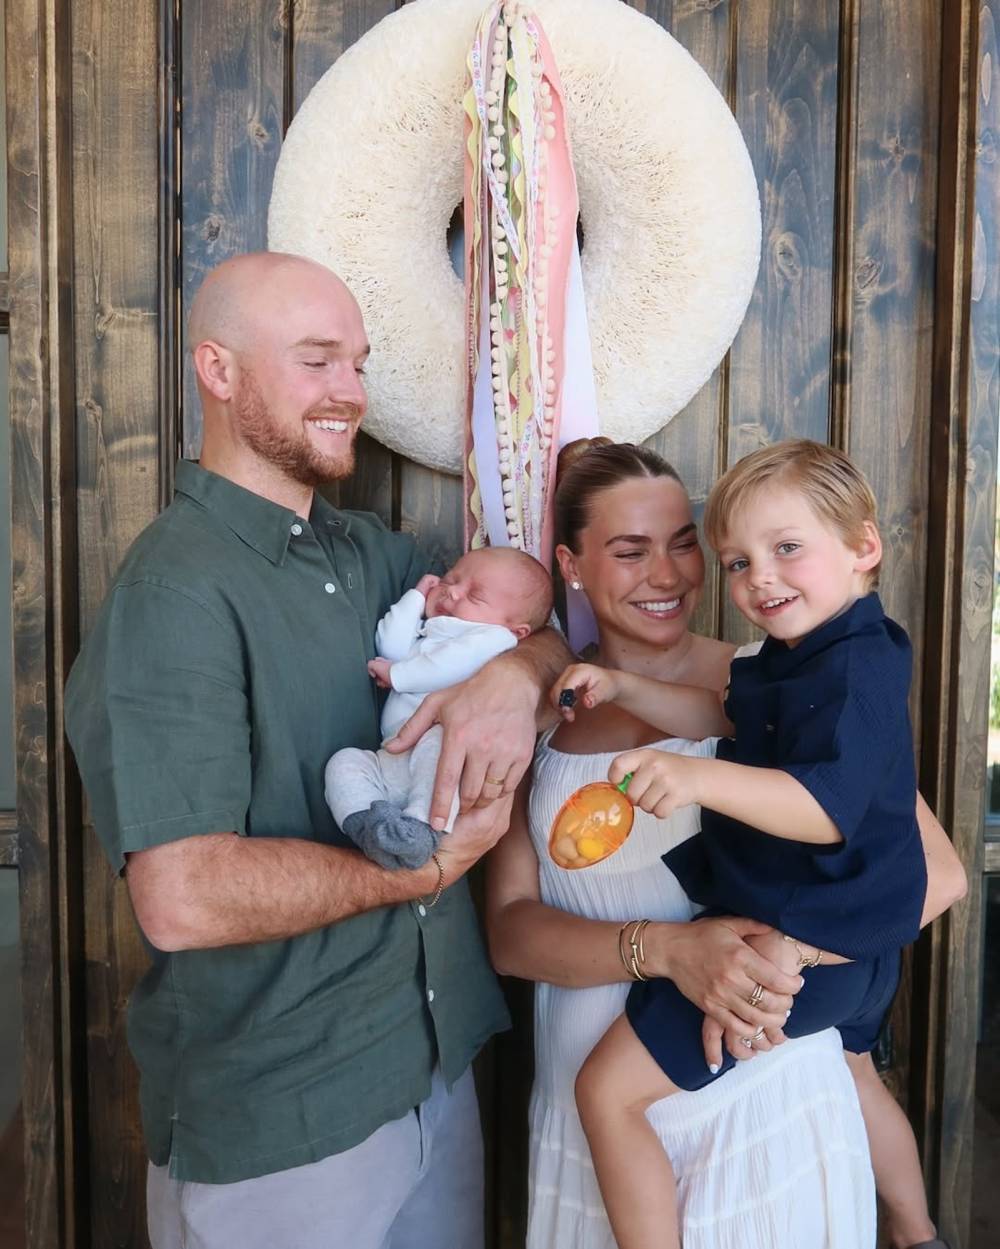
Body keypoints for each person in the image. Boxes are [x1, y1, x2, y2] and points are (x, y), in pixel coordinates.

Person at [63, 251, 570, 1249]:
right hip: (284, 1117)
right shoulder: (175, 593)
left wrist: (518, 678)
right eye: (316, 361)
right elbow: (182, 897)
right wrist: (416, 873)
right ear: (217, 370)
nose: (350, 392)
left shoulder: (370, 557)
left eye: (359, 362)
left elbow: (525, 626)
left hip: (430, 1061)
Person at [485, 438, 967, 1249]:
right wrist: (669, 949)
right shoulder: (536, 711)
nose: (669, 574)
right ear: (571, 564)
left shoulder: (799, 668)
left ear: (862, 548)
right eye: (632, 550)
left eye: (683, 543)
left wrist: (792, 953)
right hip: (599, 1110)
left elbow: (933, 871)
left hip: (764, 1081)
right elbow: (508, 933)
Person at [326, 548, 553, 867]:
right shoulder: (432, 630)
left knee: (443, 744)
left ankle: (420, 830)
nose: (453, 591)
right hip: (392, 754)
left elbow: (446, 667)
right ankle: (370, 825)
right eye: (450, 579)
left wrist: (397, 674)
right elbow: (389, 645)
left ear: (517, 630)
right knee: (344, 762)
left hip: (435, 746)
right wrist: (417, 597)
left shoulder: (493, 639)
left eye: (475, 595)